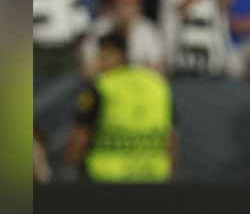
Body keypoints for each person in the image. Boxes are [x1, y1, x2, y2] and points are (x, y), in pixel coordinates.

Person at [63, 31, 179, 183]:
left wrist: (68, 168)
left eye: (102, 56)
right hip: (152, 175)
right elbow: (171, 138)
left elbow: (80, 136)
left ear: (119, 55)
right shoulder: (158, 86)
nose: (98, 62)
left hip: (105, 176)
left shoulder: (100, 87)